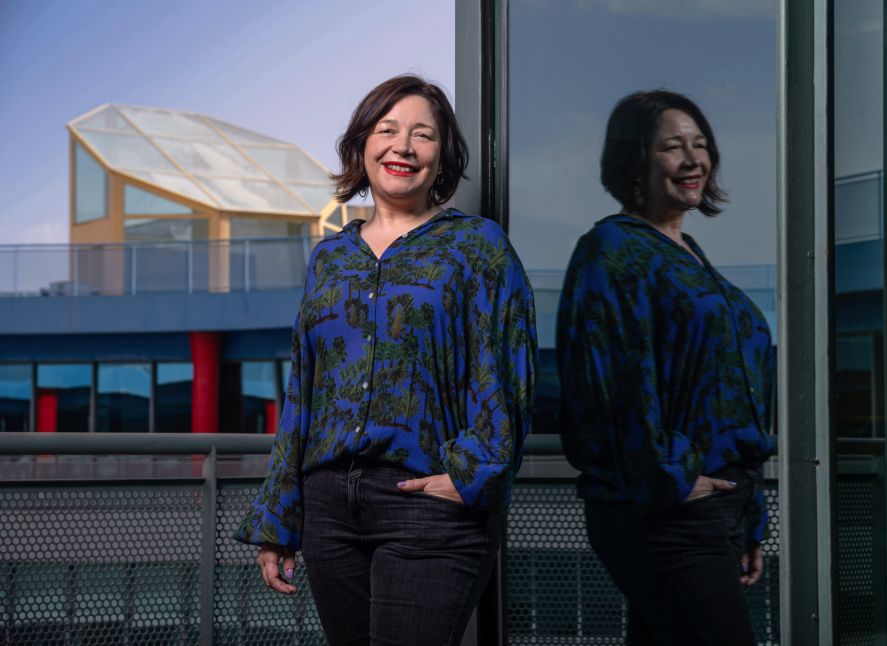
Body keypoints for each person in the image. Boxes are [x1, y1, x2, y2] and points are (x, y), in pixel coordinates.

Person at [236, 74, 537, 646]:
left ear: (441, 155)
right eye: (387, 129)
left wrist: (471, 477)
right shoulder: (330, 258)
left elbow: (511, 373)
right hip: (329, 512)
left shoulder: (476, 246)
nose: (403, 146)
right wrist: (281, 516)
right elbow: (304, 388)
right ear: (361, 145)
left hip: (426, 504)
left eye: (422, 134)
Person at [556, 90, 775, 646]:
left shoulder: (690, 251)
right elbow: (609, 387)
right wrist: (671, 479)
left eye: (700, 145)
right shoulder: (611, 249)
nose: (693, 159)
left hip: (713, 506)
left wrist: (747, 514)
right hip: (665, 511)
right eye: (672, 147)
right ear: (635, 160)